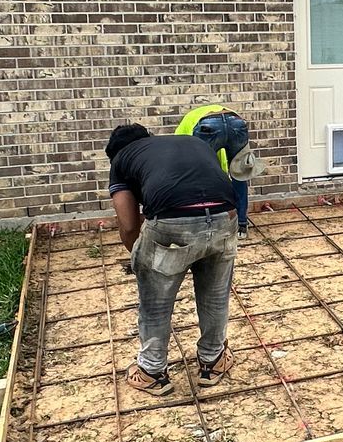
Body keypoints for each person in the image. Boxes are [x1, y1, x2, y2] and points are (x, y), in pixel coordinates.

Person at [105, 123, 238, 393]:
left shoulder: (121, 159)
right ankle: (213, 361)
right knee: (215, 295)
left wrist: (144, 261)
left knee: (156, 301)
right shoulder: (193, 143)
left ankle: (152, 371)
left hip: (171, 222)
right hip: (226, 216)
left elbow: (129, 224)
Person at [176, 103, 259, 233]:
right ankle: (241, 225)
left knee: (201, 178)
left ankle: (207, 223)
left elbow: (188, 162)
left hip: (209, 124)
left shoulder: (182, 131)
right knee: (239, 174)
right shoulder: (201, 114)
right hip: (236, 122)